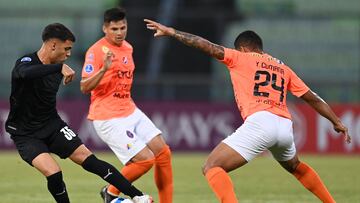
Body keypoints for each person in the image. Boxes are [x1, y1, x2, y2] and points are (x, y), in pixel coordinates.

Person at [144, 19, 352, 203]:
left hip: (261, 122)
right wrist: (336, 121)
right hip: (285, 126)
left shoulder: (240, 58)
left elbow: (206, 46)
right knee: (295, 166)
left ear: (243, 48)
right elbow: (312, 97)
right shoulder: (283, 68)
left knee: (211, 166)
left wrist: (172, 32)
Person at [5, 23, 152, 203]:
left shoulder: (59, 68)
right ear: (53, 45)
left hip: (52, 125)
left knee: (89, 159)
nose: (68, 54)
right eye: (66, 49)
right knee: (54, 173)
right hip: (25, 134)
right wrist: (58, 68)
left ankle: (138, 196)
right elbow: (25, 74)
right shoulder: (27, 62)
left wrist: (101, 69)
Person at [80, 8, 173, 203]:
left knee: (163, 153)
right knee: (146, 160)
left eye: (123, 27)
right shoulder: (96, 51)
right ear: (105, 28)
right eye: (114, 29)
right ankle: (111, 191)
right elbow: (84, 87)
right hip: (107, 116)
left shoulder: (128, 48)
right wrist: (104, 70)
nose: (120, 32)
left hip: (129, 109)